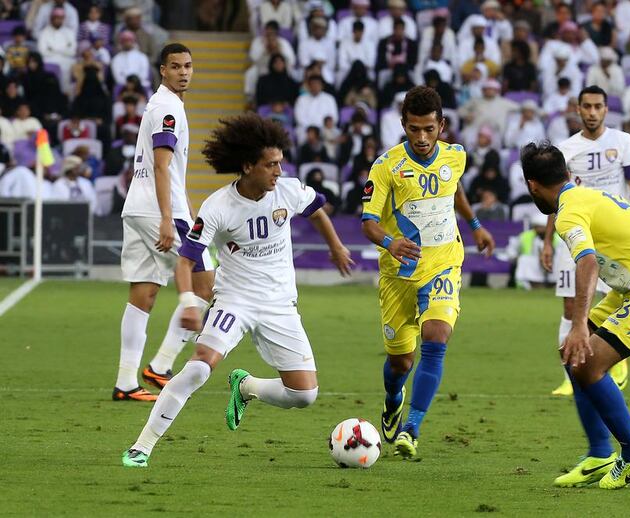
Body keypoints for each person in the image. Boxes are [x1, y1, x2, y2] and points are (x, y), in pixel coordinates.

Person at [122, 113, 354, 468]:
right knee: (198, 370)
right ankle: (142, 446)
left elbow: (317, 211)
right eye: (270, 165)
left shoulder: (288, 190)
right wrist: (187, 302)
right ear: (247, 166)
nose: (278, 171)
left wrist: (336, 247)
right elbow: (186, 261)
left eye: (280, 163)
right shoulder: (218, 207)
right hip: (236, 301)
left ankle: (246, 387)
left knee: (305, 394)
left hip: (280, 305)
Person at [521, 141, 630, 489]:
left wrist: (578, 325)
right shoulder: (588, 196)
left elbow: (585, 261)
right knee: (572, 354)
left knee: (587, 361)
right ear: (568, 174)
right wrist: (577, 331)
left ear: (532, 186)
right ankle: (600, 454)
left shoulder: (568, 212)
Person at [360, 85, 495, 459]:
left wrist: (476, 225)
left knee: (436, 339)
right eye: (414, 129)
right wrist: (390, 243)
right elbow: (368, 223)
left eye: (429, 129)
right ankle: (393, 400)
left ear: (442, 125)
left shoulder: (456, 156)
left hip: (444, 264)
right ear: (403, 124)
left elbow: (454, 191)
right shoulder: (386, 166)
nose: (421, 137)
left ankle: (411, 428)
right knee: (400, 361)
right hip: (399, 276)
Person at [114, 44, 215, 402]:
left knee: (145, 291)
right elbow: (160, 165)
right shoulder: (168, 109)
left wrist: (184, 205)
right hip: (158, 211)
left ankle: (126, 382)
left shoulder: (160, 105)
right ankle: (162, 364)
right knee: (206, 284)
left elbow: (168, 170)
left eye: (188, 66)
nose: (184, 72)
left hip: (139, 207)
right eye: (176, 67)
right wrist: (169, 219)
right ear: (162, 70)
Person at [541, 86, 630, 397]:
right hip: (575, 233)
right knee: (571, 306)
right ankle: (570, 374)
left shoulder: (623, 142)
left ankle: (616, 363)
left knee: (612, 303)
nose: (591, 112)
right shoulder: (565, 149)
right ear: (578, 109)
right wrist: (547, 241)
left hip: (613, 236)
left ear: (606, 109)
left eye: (597, 106)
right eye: (586, 106)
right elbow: (554, 198)